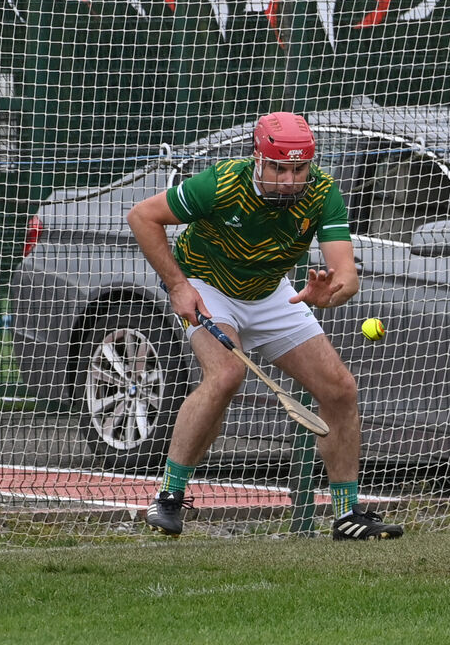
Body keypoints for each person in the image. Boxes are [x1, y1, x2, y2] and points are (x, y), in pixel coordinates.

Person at [126, 111, 404, 541]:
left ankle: (348, 514)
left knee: (339, 389)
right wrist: (178, 287)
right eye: (278, 168)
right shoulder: (221, 183)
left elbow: (346, 274)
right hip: (208, 285)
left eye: (298, 169)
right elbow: (142, 216)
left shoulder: (323, 193)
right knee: (226, 376)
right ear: (258, 159)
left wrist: (329, 294)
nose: (289, 180)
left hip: (274, 294)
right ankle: (169, 497)